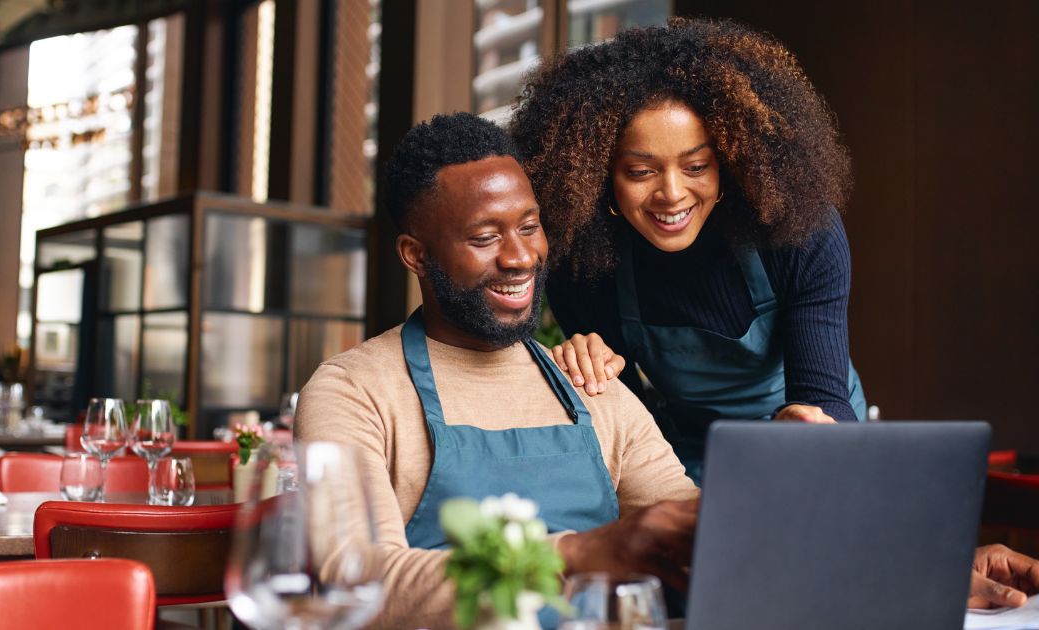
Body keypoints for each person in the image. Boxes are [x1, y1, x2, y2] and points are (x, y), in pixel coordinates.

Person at [295, 112, 699, 630]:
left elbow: (685, 530)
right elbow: (357, 579)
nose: (521, 257)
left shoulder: (592, 383)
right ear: (416, 255)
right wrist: (573, 554)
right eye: (485, 238)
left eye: (529, 226)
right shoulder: (352, 391)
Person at [510, 18, 866, 482]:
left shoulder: (799, 232)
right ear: (599, 177)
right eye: (641, 172)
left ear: (730, 162)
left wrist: (808, 427)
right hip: (689, 452)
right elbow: (630, 425)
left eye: (696, 165)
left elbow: (824, 395)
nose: (673, 194)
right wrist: (589, 373)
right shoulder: (583, 263)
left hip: (810, 440)